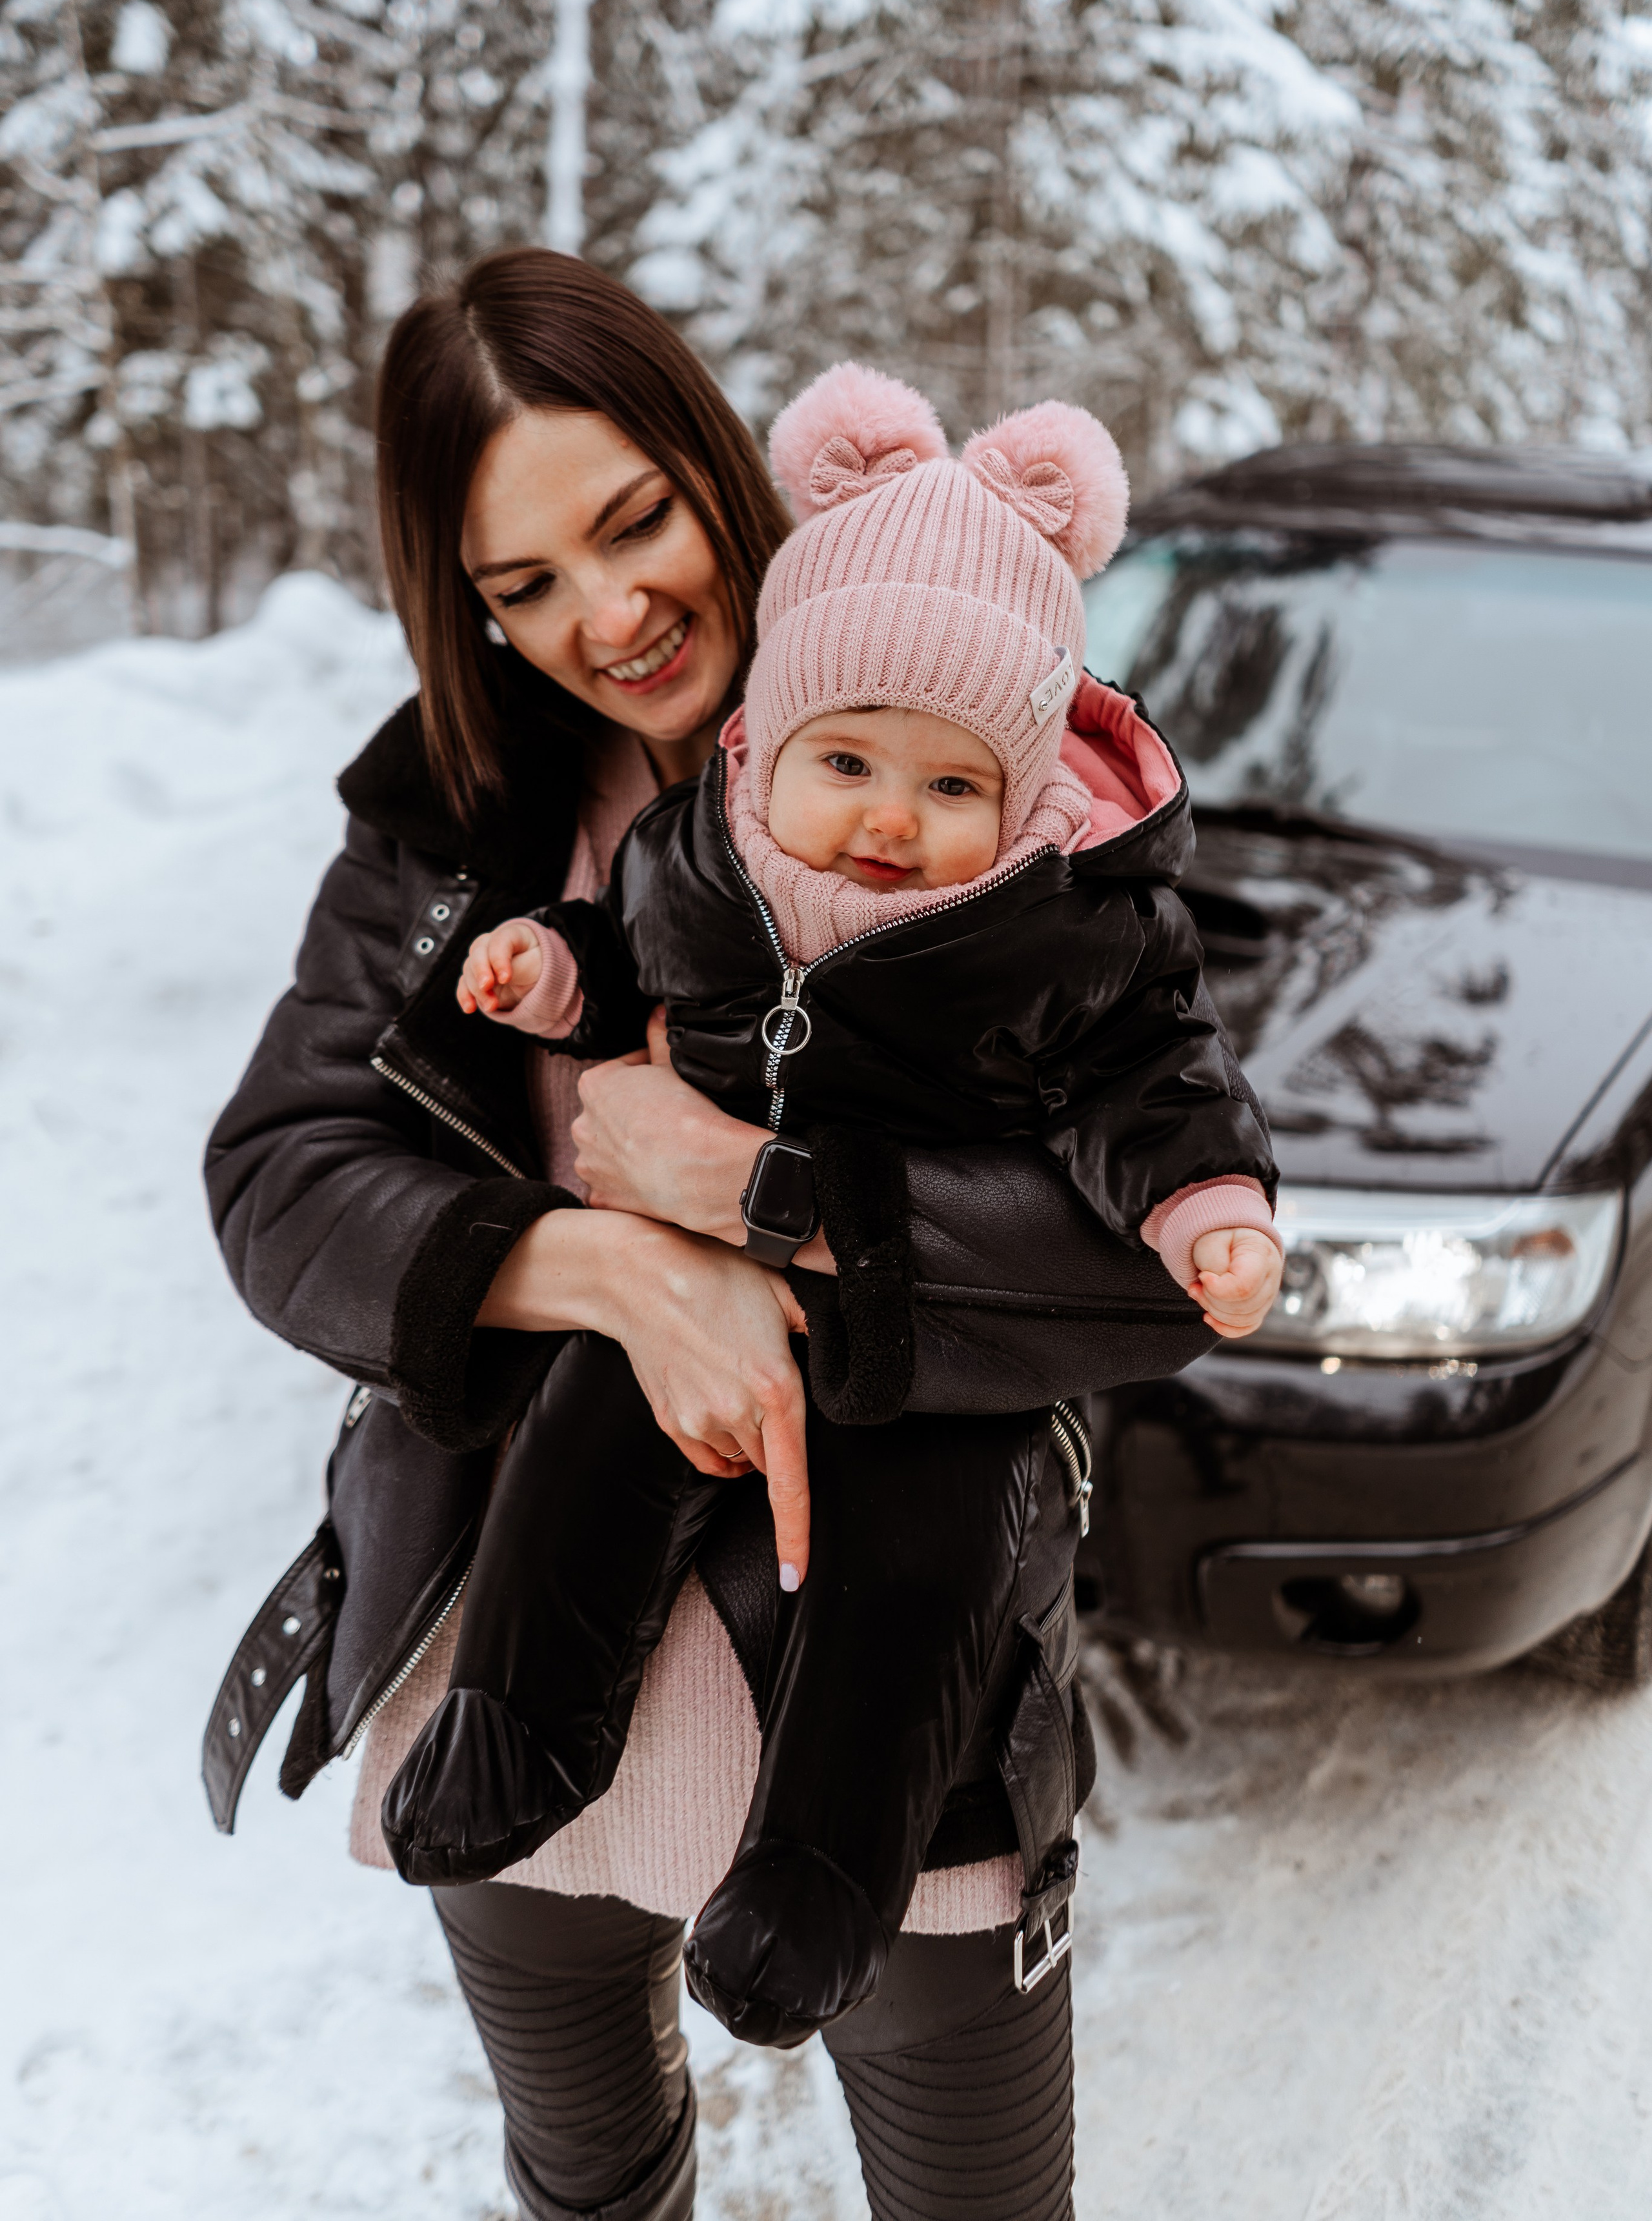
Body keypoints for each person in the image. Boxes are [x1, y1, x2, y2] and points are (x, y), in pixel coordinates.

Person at [201, 249, 1263, 2221]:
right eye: (519, 586)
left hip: (890, 1708)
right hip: (509, 1647)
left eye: (633, 524)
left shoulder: (976, 779)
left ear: (721, 471)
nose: (603, 617)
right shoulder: (451, 820)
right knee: (591, 2178)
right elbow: (280, 1169)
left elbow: (1145, 1252)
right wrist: (610, 1266)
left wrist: (764, 1199)